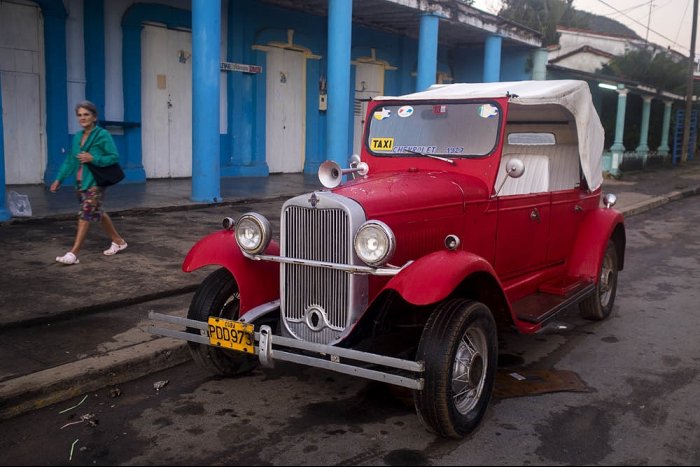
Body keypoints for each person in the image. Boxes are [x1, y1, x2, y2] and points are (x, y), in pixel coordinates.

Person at [50, 100, 127, 265]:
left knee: (85, 214)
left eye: (86, 114)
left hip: (95, 182)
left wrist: (94, 158)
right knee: (97, 213)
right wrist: (59, 179)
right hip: (80, 183)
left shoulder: (102, 135)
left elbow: (113, 157)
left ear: (94, 117)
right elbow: (71, 160)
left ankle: (73, 253)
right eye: (79, 115)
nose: (82, 118)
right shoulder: (78, 136)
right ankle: (119, 241)